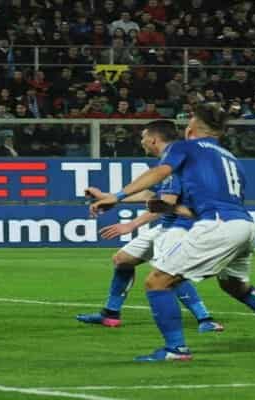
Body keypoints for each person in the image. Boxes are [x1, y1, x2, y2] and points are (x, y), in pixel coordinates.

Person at [90, 104, 255, 361]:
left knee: (157, 281)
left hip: (219, 224)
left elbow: (159, 172)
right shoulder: (230, 158)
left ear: (191, 128)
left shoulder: (184, 147)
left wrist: (115, 196)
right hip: (245, 225)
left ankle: (176, 349)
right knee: (237, 287)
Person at [78, 121, 223, 333]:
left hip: (184, 226)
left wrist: (132, 224)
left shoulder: (175, 166)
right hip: (168, 225)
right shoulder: (167, 164)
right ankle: (111, 314)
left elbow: (165, 205)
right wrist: (109, 198)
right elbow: (149, 195)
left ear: (153, 139)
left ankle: (205, 319)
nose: (142, 142)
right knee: (122, 260)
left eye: (143, 137)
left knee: (167, 271)